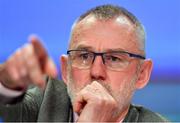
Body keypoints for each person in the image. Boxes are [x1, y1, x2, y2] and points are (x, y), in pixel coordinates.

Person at [0, 4, 169, 122]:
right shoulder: (43, 103)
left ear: (142, 74)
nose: (96, 71)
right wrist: (6, 82)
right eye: (84, 56)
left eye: (114, 58)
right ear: (66, 70)